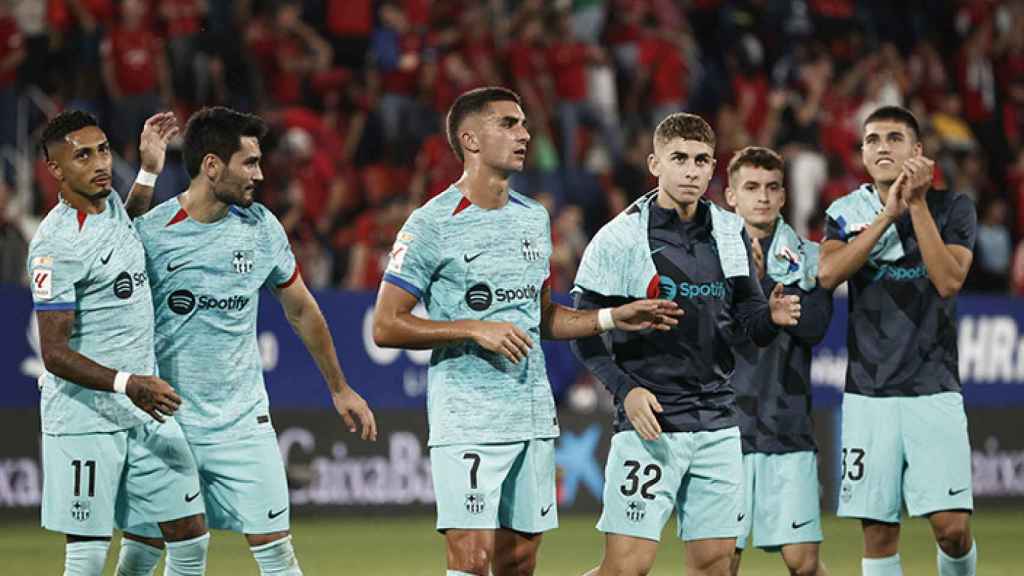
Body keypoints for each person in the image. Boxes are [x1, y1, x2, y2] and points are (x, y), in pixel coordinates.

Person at [371, 86, 680, 576]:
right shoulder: (430, 223)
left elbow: (543, 317)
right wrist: (473, 329)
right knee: (471, 562)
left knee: (519, 563)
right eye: (509, 124)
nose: (525, 134)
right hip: (467, 419)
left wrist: (612, 317)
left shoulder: (534, 217)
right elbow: (386, 325)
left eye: (524, 124)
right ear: (470, 140)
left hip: (532, 418)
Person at [116, 106, 378, 576]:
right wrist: (147, 173)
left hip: (242, 422)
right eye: (250, 163)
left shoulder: (261, 227)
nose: (259, 174)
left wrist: (340, 387)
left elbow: (302, 309)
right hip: (166, 422)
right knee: (143, 553)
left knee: (278, 553)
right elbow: (110, 252)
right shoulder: (154, 232)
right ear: (212, 166)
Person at [572, 113, 802, 576]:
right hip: (651, 424)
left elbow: (750, 324)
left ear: (713, 167)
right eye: (679, 159)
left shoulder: (729, 230)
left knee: (715, 567)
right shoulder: (620, 238)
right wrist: (625, 390)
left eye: (701, 160)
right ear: (655, 163)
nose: (691, 170)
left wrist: (772, 318)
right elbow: (581, 328)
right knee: (625, 570)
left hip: (717, 422)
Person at [29, 109, 210, 575]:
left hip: (144, 409)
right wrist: (130, 383)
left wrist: (149, 168)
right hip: (85, 418)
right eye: (83, 156)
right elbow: (54, 353)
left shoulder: (109, 205)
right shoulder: (55, 244)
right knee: (88, 559)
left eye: (104, 150)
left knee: (188, 537)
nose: (100, 163)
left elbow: (120, 237)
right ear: (55, 169)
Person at [818, 105, 977, 576]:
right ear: (863, 153)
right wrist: (887, 217)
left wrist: (918, 204)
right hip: (869, 394)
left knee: (952, 529)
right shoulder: (844, 213)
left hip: (935, 387)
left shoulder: (953, 207)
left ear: (917, 150)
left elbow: (948, 281)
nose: (882, 146)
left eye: (893, 137)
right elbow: (828, 273)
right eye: (872, 140)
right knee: (879, 532)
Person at [722, 146, 832, 576]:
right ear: (731, 196)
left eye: (771, 188)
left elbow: (814, 326)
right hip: (724, 430)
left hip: (786, 424)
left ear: (784, 196)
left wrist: (759, 288)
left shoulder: (810, 256)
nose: (762, 197)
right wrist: (765, 297)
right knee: (719, 563)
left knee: (803, 563)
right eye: (751, 187)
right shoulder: (713, 258)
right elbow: (718, 333)